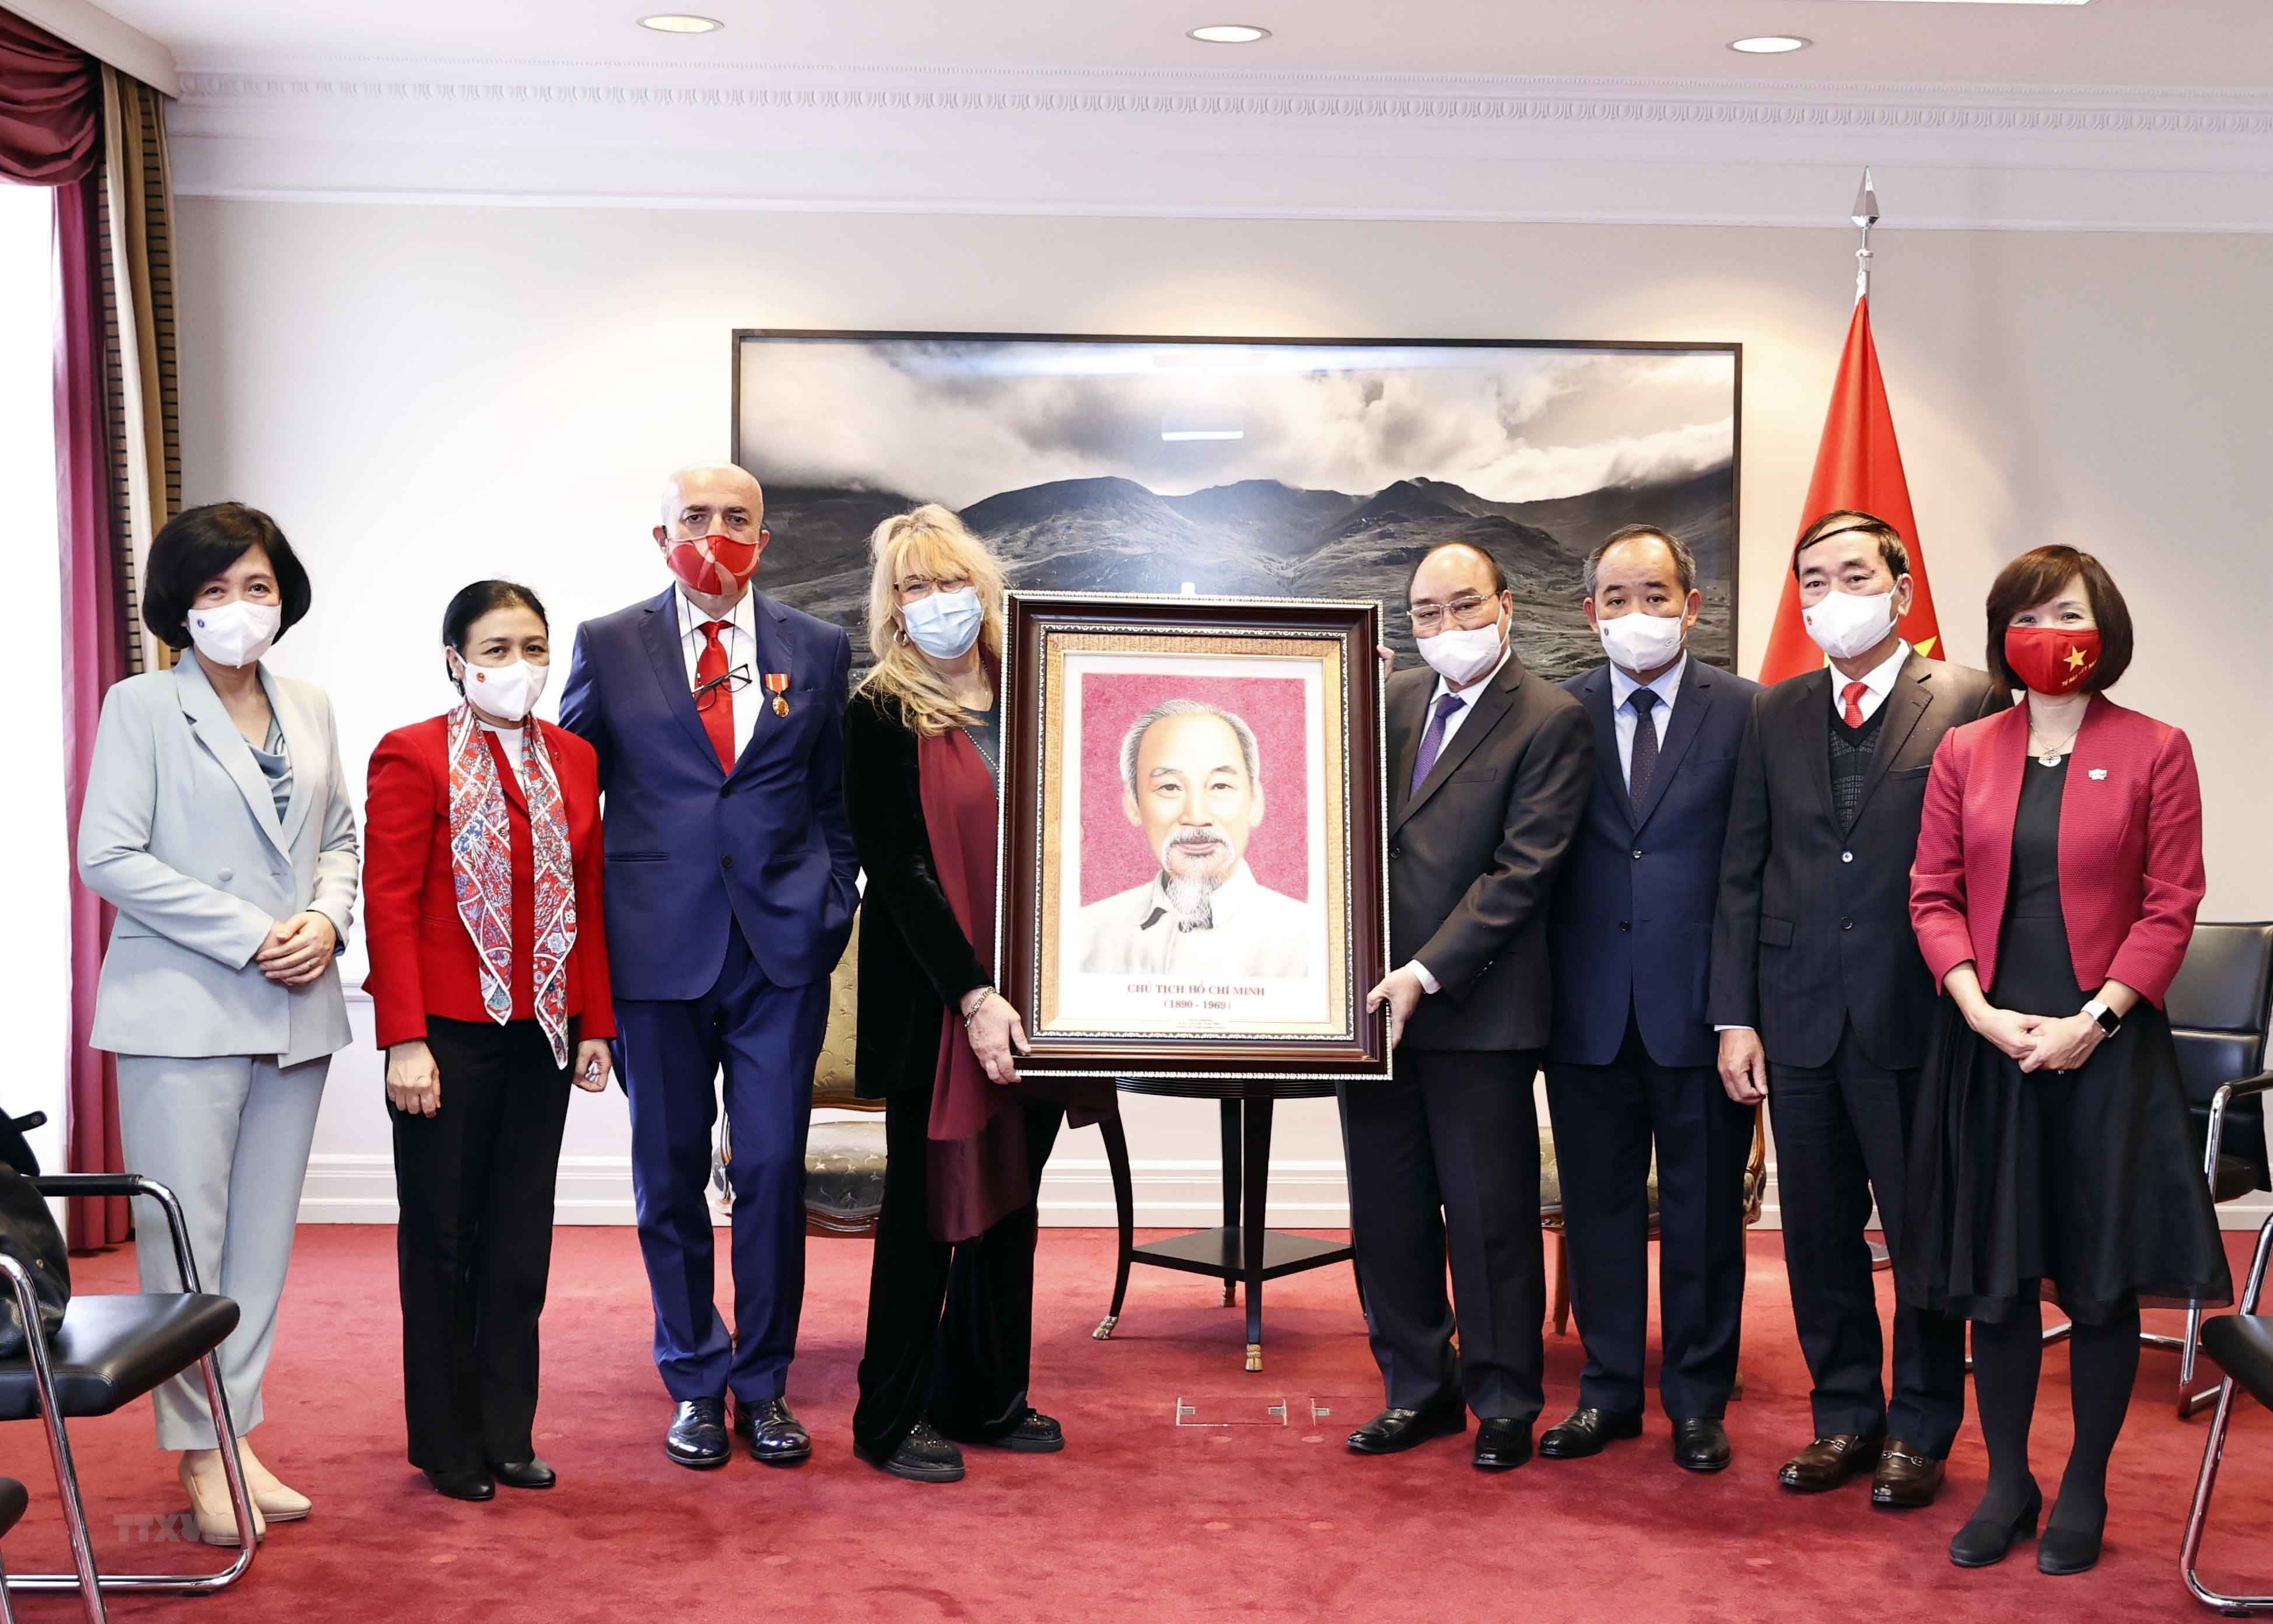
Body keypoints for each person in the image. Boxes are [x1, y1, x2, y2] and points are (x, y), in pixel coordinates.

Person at [1901, 545, 2228, 1575]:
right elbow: (1932, 892)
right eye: (2031, 615)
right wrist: (1976, 1009)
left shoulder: (2154, 748)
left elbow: (2171, 903)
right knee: (1996, 1283)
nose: (2050, 632)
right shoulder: (1966, 749)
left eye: (2070, 613)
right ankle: (2008, 1481)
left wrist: (2094, 1019)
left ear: (2106, 630)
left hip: (2106, 1051)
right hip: (1991, 1047)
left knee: (2097, 1281)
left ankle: (2084, 1482)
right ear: (2004, 632)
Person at [559, 463, 857, 1469]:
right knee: (670, 1173)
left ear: (763, 539)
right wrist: (584, 961)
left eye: (737, 519)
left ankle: (764, 1383)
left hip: (780, 955)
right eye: (696, 517)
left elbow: (833, 800)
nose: (715, 533)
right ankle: (694, 1376)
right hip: (653, 954)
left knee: (770, 1169)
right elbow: (573, 801)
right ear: (662, 535)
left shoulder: (817, 646)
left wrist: (831, 902)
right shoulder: (609, 643)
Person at [1709, 509, 2009, 1508]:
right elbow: (1743, 869)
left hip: (1918, 1013)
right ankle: (1843, 1415)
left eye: (1852, 575)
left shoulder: (1969, 697)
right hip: (1795, 1014)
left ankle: (1919, 1428)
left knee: (1923, 1235)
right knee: (1817, 1233)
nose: (1830, 596)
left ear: (1901, 590)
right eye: (1812, 581)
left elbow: (1992, 865)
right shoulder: (1773, 710)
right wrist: (1735, 1014)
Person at [76, 502, 357, 1546]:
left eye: (257, 587)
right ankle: (200, 1449)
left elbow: (340, 837)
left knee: (260, 1243)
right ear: (179, 605)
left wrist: (326, 918)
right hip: (183, 1008)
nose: (240, 607)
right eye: (215, 589)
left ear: (284, 597)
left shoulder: (312, 704)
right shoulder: (142, 706)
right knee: (184, 1241)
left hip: (296, 1005)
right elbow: (109, 855)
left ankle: (234, 1434)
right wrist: (253, 932)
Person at [842, 505, 1099, 1482]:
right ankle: (889, 1413)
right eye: (914, 586)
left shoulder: (1040, 688)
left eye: (950, 580)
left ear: (984, 587)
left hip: (1043, 992)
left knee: (1011, 1202)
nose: (936, 599)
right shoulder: (878, 711)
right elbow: (899, 870)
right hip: (935, 1002)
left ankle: (984, 1395)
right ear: (892, 606)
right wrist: (972, 995)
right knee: (922, 1214)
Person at [1343, 540, 1593, 1472]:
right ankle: (1417, 1389)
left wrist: (1425, 971)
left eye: (1463, 607)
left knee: (1489, 1221)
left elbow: (1520, 872)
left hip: (1477, 1012)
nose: (1445, 627)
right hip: (1372, 1015)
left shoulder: (1551, 718)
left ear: (1506, 606)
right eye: (1425, 613)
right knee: (1388, 1218)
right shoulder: (1389, 701)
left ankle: (1503, 1399)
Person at [363, 581, 617, 1500]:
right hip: (443, 1038)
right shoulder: (411, 753)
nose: (520, 666)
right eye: (498, 649)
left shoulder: (576, 758)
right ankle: (447, 1442)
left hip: (542, 1034)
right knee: (442, 1237)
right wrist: (403, 1039)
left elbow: (587, 897)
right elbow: (388, 902)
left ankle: (508, 1431)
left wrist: (596, 1024)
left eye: (534, 647)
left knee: (518, 1240)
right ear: (456, 660)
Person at [1542, 526, 1759, 1474]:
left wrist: (1740, 1011)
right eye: (1617, 597)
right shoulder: (1555, 711)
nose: (1637, 613)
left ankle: (1698, 1401)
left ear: (1691, 605)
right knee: (1598, 1213)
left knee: (1705, 1219)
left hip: (1703, 1016)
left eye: (1655, 594)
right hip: (1584, 1014)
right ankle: (1607, 1392)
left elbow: (1756, 873)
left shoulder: (1747, 711)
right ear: (1590, 611)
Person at [1077, 699, 1311, 977]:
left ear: (1255, 802)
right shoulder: (1083, 937)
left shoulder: (1311, 941)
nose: (1197, 816)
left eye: (1220, 786)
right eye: (1170, 787)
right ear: (1133, 804)